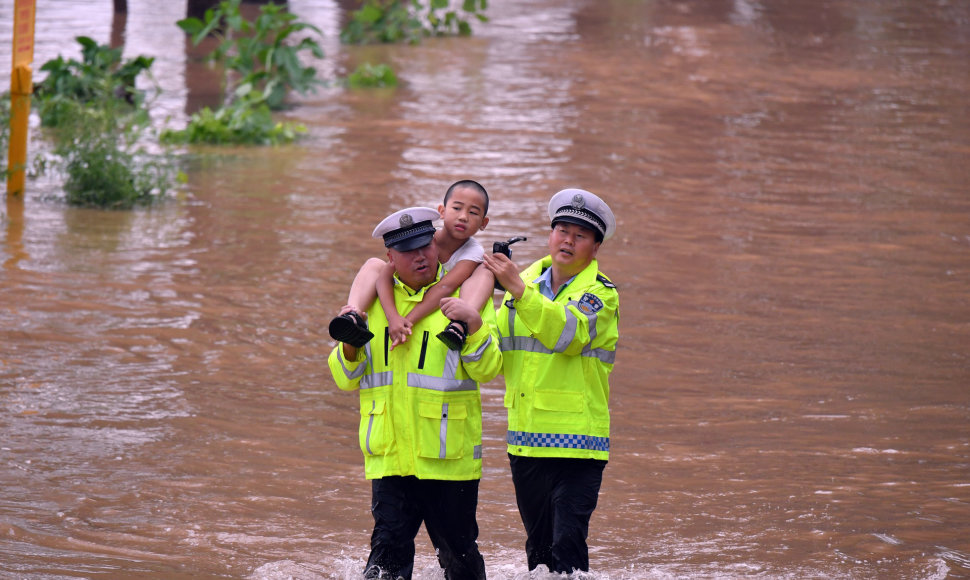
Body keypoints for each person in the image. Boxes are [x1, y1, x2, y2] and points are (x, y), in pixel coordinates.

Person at [328, 206, 503, 580]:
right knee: (385, 563)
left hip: (449, 461)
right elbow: (345, 378)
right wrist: (350, 346)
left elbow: (489, 369)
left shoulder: (465, 298)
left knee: (461, 559)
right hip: (391, 461)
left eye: (425, 246)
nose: (420, 256)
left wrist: (472, 327)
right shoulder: (369, 304)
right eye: (408, 250)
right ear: (390, 258)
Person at [482, 188, 619, 576]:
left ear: (595, 247)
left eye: (580, 235)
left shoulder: (600, 295)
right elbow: (491, 353)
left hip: (579, 446)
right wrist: (468, 322)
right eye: (562, 230)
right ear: (550, 234)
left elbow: (568, 335)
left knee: (567, 550)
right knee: (539, 556)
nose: (568, 240)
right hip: (525, 442)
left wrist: (518, 290)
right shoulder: (519, 283)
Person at [328, 180, 494, 351]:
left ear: (484, 223)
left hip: (443, 295)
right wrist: (392, 317)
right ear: (442, 212)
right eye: (457, 208)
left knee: (487, 268)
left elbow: (445, 286)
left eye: (473, 212)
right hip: (417, 287)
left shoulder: (473, 252)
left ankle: (459, 325)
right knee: (373, 263)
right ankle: (352, 315)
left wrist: (408, 320)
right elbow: (384, 275)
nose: (463, 217)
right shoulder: (427, 236)